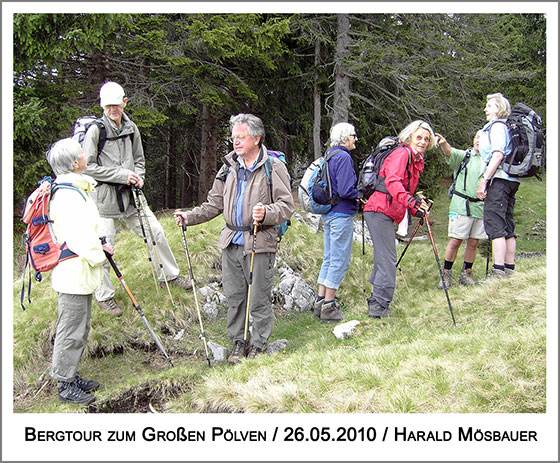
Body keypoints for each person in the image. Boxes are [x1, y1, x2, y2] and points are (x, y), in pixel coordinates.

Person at [174, 114, 294, 364]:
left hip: (260, 241)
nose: (235, 142)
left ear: (256, 138)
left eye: (241, 137)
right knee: (235, 297)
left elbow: (286, 206)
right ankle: (238, 342)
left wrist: (267, 213)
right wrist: (189, 217)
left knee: (259, 297)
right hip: (231, 241)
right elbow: (214, 203)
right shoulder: (229, 166)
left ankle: (259, 344)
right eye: (233, 137)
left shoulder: (273, 167)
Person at [83, 81, 191, 316]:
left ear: (124, 102)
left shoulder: (131, 128)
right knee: (104, 248)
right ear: (103, 106)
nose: (113, 109)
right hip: (104, 200)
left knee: (156, 233)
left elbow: (140, 160)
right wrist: (122, 175)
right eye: (108, 106)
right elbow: (88, 167)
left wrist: (139, 177)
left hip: (132, 197)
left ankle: (169, 276)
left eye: (117, 104)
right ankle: (104, 296)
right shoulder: (95, 131)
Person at [46, 138, 114, 405]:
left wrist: (99, 247)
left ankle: (71, 375)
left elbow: (87, 230)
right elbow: (79, 237)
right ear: (75, 163)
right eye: (81, 153)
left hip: (79, 272)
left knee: (80, 326)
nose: (86, 155)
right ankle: (64, 383)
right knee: (70, 329)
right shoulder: (67, 195)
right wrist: (101, 255)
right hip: (73, 273)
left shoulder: (75, 189)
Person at [362, 120, 433, 318]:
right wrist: (411, 202)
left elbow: (404, 189)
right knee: (387, 259)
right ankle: (379, 306)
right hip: (378, 210)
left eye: (426, 139)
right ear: (409, 136)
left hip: (383, 210)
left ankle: (377, 303)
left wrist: (414, 208)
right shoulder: (402, 154)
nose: (423, 142)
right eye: (419, 137)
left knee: (383, 257)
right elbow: (392, 182)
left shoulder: (414, 159)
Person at [312, 122, 359, 322]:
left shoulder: (330, 156)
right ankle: (329, 307)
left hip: (329, 213)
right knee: (339, 259)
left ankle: (320, 301)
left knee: (329, 257)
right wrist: (362, 195)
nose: (356, 139)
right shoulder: (344, 157)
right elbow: (347, 189)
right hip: (341, 214)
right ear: (345, 138)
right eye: (353, 135)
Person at [434, 130, 487, 288]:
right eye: (477, 137)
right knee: (455, 240)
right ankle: (446, 274)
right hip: (461, 205)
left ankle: (466, 273)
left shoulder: (490, 160)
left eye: (483, 139)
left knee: (473, 242)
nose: (479, 141)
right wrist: (443, 142)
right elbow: (449, 152)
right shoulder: (465, 156)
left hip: (480, 207)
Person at [476, 92, 518, 278]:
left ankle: (498, 271)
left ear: (499, 109)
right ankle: (509, 268)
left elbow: (498, 154)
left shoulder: (497, 127)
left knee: (496, 225)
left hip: (499, 180)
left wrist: (484, 179)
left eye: (490, 106)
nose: (486, 109)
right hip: (511, 180)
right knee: (507, 224)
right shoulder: (505, 127)